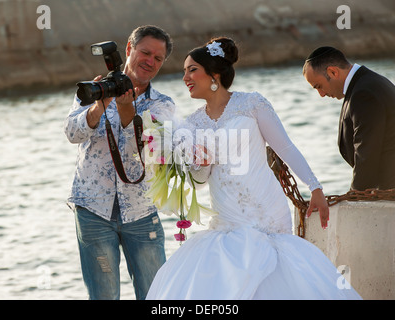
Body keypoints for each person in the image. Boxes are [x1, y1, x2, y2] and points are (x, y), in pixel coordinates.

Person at [146, 37, 361, 299]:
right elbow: (201, 178)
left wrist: (315, 187)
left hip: (265, 210)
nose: (185, 78)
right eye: (184, 72)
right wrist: (194, 162)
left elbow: (286, 148)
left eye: (192, 70)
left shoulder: (251, 104)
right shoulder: (192, 124)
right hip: (227, 216)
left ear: (214, 75)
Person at [64, 25, 175, 300]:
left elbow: (151, 149)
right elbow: (72, 133)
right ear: (128, 49)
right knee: (103, 296)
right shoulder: (92, 91)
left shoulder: (162, 104)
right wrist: (100, 104)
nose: (150, 61)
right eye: (145, 52)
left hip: (141, 211)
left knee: (155, 296)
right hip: (93, 210)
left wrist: (127, 112)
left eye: (158, 58)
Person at [303, 46, 395, 191]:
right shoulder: (367, 83)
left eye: (319, 86)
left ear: (333, 72)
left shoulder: (363, 93)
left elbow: (367, 152)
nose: (321, 94)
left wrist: (355, 194)